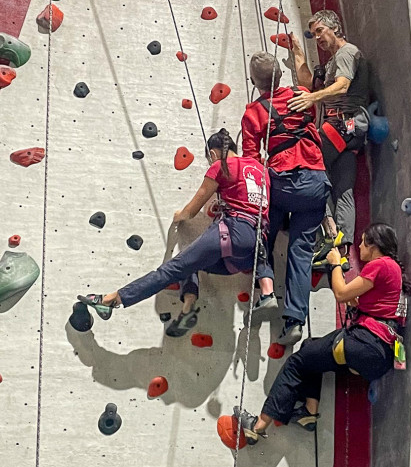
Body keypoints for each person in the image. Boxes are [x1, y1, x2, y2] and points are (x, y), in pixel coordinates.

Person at [76, 129, 274, 337]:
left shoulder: (220, 165)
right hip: (252, 249)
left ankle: (110, 300)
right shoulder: (260, 170)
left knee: (171, 270)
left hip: (231, 233)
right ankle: (188, 308)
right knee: (192, 263)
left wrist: (178, 216)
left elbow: (191, 210)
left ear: (213, 154)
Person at [235, 223, 409, 443]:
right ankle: (309, 412)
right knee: (311, 350)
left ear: (375, 245)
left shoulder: (381, 264)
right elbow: (362, 301)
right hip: (380, 355)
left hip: (366, 342)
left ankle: (258, 427)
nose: (360, 246)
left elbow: (341, 293)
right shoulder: (394, 271)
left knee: (296, 362)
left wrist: (335, 264)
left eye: (363, 241)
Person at [242, 51, 332, 346]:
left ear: (255, 82)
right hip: (316, 182)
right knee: (300, 252)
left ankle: (266, 291)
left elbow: (252, 162)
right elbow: (310, 119)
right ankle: (294, 319)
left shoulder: (254, 112)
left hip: (282, 183)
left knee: (261, 237)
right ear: (280, 76)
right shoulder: (302, 94)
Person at [288, 10, 372, 260]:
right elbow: (310, 83)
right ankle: (342, 251)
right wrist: (298, 53)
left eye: (320, 31)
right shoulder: (334, 60)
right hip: (351, 131)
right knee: (343, 189)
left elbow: (343, 84)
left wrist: (311, 99)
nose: (318, 38)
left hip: (340, 125)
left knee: (310, 169)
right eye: (314, 34)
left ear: (335, 28)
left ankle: (329, 232)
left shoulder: (346, 53)